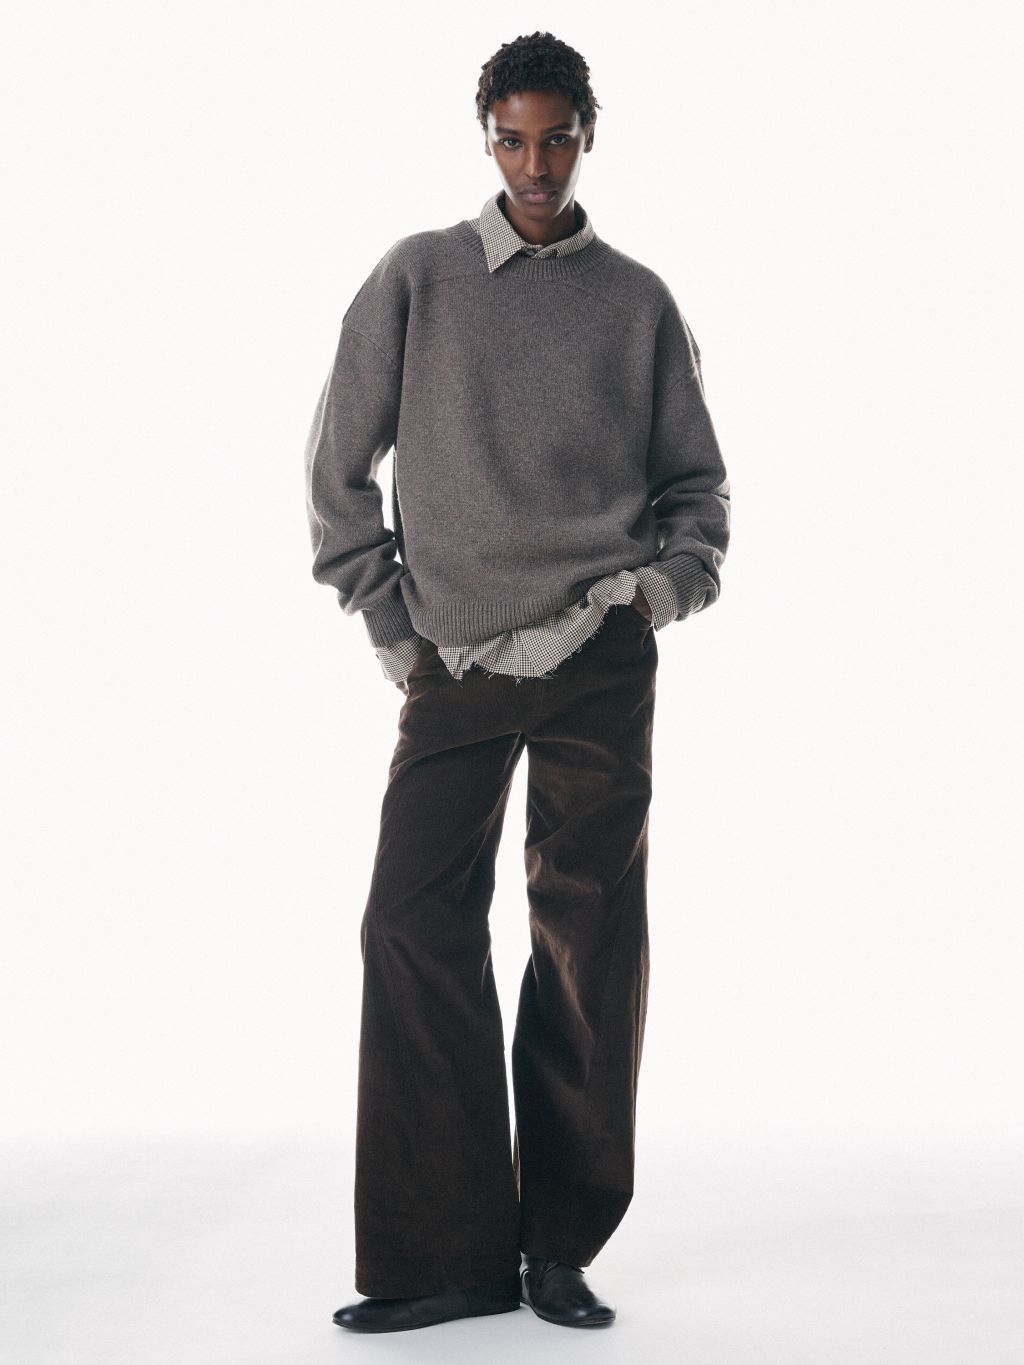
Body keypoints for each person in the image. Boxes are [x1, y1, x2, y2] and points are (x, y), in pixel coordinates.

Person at [303, 30, 731, 1334]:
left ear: (589, 133)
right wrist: (395, 626)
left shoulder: (637, 302)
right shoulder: (419, 277)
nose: (535, 165)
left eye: (557, 139)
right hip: (458, 655)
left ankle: (558, 1245)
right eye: (512, 139)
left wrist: (658, 590)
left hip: (601, 650)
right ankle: (449, 1253)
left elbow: (696, 487)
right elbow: (336, 471)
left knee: (589, 939)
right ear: (485, 134)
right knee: (410, 921)